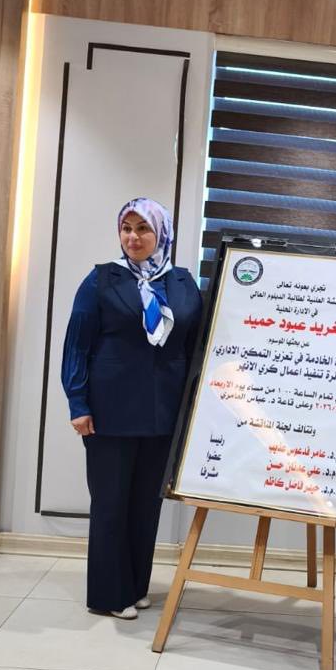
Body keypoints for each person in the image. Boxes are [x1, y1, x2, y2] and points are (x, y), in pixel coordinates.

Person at [62, 197, 202, 619]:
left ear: (162, 234)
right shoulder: (101, 279)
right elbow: (77, 345)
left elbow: (196, 348)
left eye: (143, 229)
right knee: (110, 504)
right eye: (127, 228)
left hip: (164, 415)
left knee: (145, 506)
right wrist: (77, 402)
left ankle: (135, 586)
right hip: (110, 413)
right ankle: (109, 594)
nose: (133, 237)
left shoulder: (182, 283)